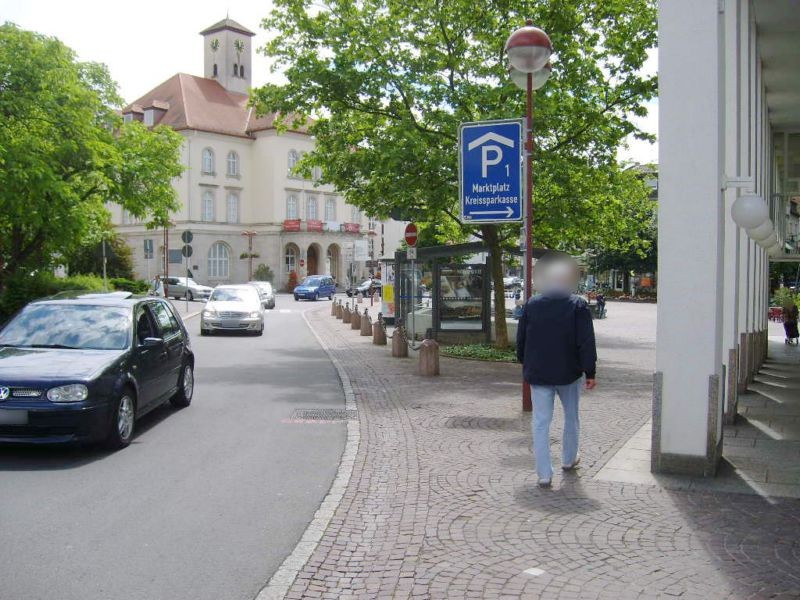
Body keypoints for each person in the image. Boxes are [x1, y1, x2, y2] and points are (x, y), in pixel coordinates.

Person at [516, 256, 597, 488]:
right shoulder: (577, 305)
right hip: (569, 373)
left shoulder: (532, 305)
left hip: (539, 373)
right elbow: (586, 342)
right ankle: (569, 459)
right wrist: (589, 371)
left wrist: (525, 362)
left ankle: (544, 474)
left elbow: (521, 340)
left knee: (540, 423)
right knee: (571, 416)